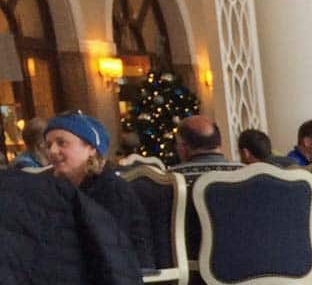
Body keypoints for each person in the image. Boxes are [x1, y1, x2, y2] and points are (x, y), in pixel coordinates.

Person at [41, 111, 151, 268]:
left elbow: (110, 247)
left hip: (121, 278)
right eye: (48, 145)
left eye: (61, 143)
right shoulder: (53, 187)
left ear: (91, 147)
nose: (52, 151)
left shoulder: (112, 188)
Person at [173, 116, 236, 180]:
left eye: (178, 144)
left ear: (184, 147)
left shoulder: (172, 178)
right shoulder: (243, 173)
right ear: (219, 143)